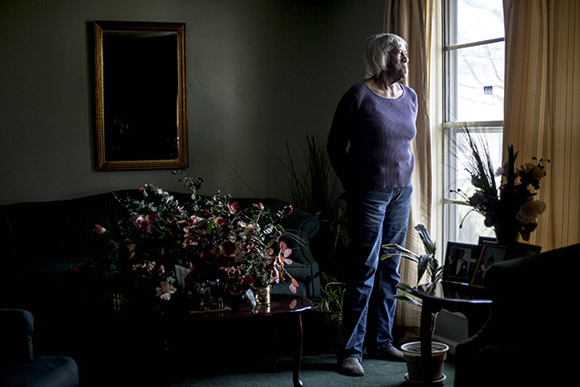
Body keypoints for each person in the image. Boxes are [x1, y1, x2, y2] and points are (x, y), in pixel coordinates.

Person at [327, 32, 417, 377]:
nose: (406, 60)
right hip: (368, 194)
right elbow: (335, 146)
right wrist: (354, 185)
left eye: (406, 53)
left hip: (401, 193)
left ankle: (381, 341)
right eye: (400, 54)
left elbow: (404, 145)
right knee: (364, 269)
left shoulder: (410, 97)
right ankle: (350, 350)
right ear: (383, 59)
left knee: (390, 269)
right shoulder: (358, 96)